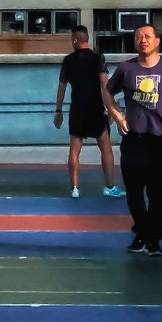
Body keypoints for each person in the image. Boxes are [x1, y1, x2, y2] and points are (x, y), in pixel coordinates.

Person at [102, 24, 162, 256]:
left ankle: (154, 238)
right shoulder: (126, 68)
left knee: (156, 191)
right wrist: (117, 115)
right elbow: (107, 92)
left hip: (159, 139)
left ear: (157, 40)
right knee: (134, 191)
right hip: (134, 139)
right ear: (134, 41)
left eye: (148, 36)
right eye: (139, 37)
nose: (143, 40)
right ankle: (141, 233)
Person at [53, 25, 125, 199]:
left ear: (76, 40)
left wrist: (58, 110)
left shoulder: (68, 60)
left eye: (72, 39)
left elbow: (61, 87)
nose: (72, 42)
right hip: (96, 110)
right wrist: (112, 109)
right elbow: (105, 85)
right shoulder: (98, 58)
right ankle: (109, 186)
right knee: (106, 149)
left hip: (77, 110)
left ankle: (75, 188)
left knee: (74, 151)